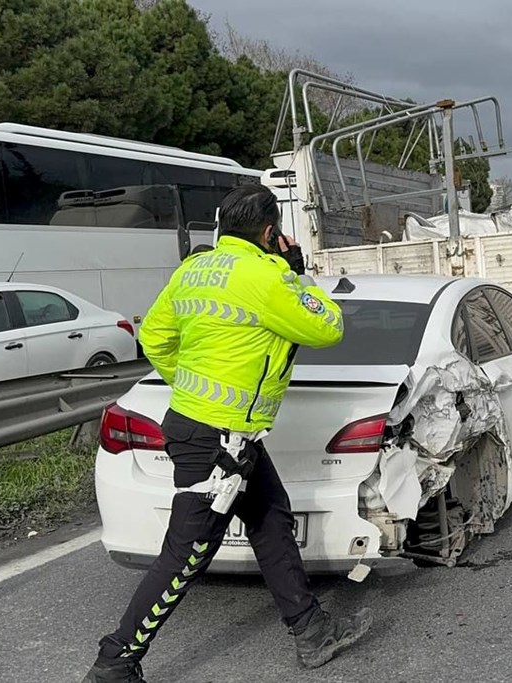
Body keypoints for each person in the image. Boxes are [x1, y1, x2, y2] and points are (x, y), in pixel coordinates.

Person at [83, 185, 371, 683]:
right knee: (187, 554)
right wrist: (294, 272)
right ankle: (116, 661)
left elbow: (153, 335)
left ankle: (312, 632)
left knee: (270, 520)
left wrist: (190, 385)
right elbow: (328, 327)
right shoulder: (266, 275)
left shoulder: (193, 270)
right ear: (269, 232)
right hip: (219, 442)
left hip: (212, 430)